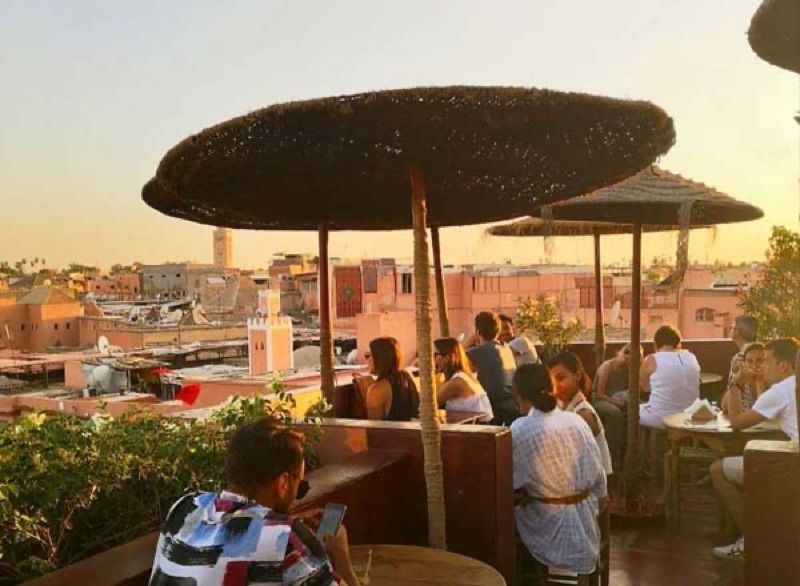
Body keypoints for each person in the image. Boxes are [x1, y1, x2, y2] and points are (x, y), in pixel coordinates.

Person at [150, 419, 360, 585]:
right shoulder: (287, 539)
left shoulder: (184, 508)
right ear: (284, 483)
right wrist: (340, 556)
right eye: (300, 486)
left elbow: (232, 533)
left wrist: (287, 523)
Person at [511, 363, 607, 581]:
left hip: (549, 522)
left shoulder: (520, 429)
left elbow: (511, 481)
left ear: (520, 395)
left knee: (505, 517)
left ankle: (526, 578)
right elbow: (598, 471)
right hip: (587, 515)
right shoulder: (575, 420)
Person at [710, 338, 799, 561]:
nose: (763, 366)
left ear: (783, 366)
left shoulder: (782, 390)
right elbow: (768, 412)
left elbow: (737, 423)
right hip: (791, 456)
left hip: (793, 466)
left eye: (767, 361)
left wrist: (736, 385)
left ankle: (754, 539)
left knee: (718, 470)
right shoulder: (790, 387)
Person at [548, 352, 613, 476]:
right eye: (552, 381)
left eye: (560, 378)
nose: (555, 387)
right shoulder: (561, 406)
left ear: (577, 375)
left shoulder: (583, 414)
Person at [639, 325, 700, 429]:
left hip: (661, 418)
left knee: (633, 411)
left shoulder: (651, 359)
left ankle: (641, 445)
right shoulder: (691, 356)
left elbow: (644, 388)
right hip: (691, 415)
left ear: (656, 342)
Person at [466, 311, 520, 425]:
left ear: (478, 331)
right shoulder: (506, 348)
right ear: (498, 330)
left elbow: (455, 355)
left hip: (497, 409)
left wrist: (472, 338)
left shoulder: (478, 352)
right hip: (514, 403)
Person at [354, 337, 419, 422]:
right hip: (412, 433)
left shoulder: (377, 389)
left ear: (379, 358)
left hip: (392, 434)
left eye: (368, 355)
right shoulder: (406, 376)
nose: (367, 359)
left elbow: (374, 428)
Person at [434, 337, 494, 422]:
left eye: (434, 355)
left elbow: (430, 403)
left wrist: (428, 372)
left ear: (446, 358)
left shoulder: (457, 382)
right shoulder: (464, 375)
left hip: (477, 430)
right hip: (476, 426)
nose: (431, 359)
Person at [590, 344, 630, 468]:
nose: (627, 357)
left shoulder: (627, 369)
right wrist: (616, 402)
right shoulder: (607, 367)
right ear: (619, 352)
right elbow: (599, 393)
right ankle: (613, 453)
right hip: (601, 400)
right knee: (615, 413)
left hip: (618, 398)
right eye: (626, 352)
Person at [721, 343, 766, 413]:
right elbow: (724, 407)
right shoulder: (743, 383)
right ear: (744, 363)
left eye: (759, 361)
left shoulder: (772, 384)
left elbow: (763, 413)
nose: (754, 366)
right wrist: (736, 382)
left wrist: (759, 381)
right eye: (750, 361)